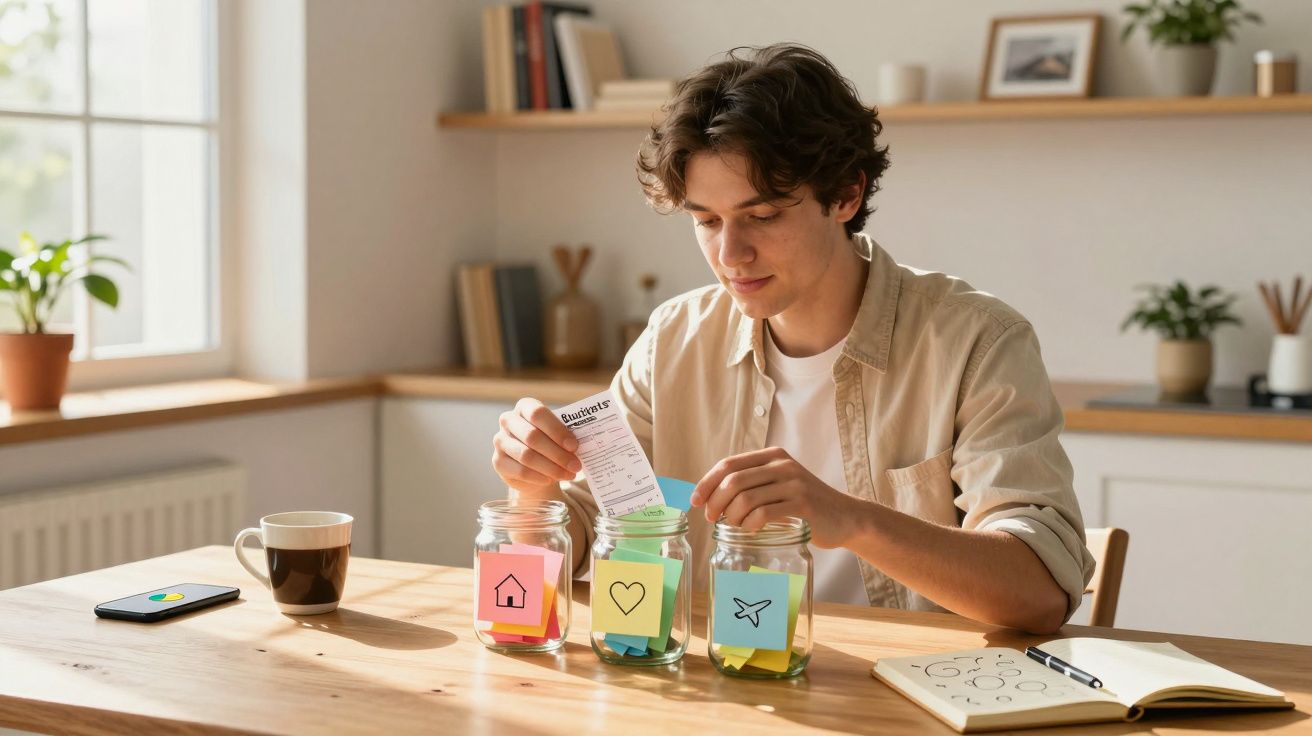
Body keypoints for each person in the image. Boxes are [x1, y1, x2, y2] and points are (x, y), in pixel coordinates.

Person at [490, 44, 1094, 634]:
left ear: (845, 195)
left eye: (763, 215)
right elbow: (580, 544)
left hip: (907, 697)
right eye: (706, 221)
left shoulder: (977, 342)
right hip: (723, 688)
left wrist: (853, 520)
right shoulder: (673, 339)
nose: (730, 254)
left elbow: (1040, 592)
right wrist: (533, 484)